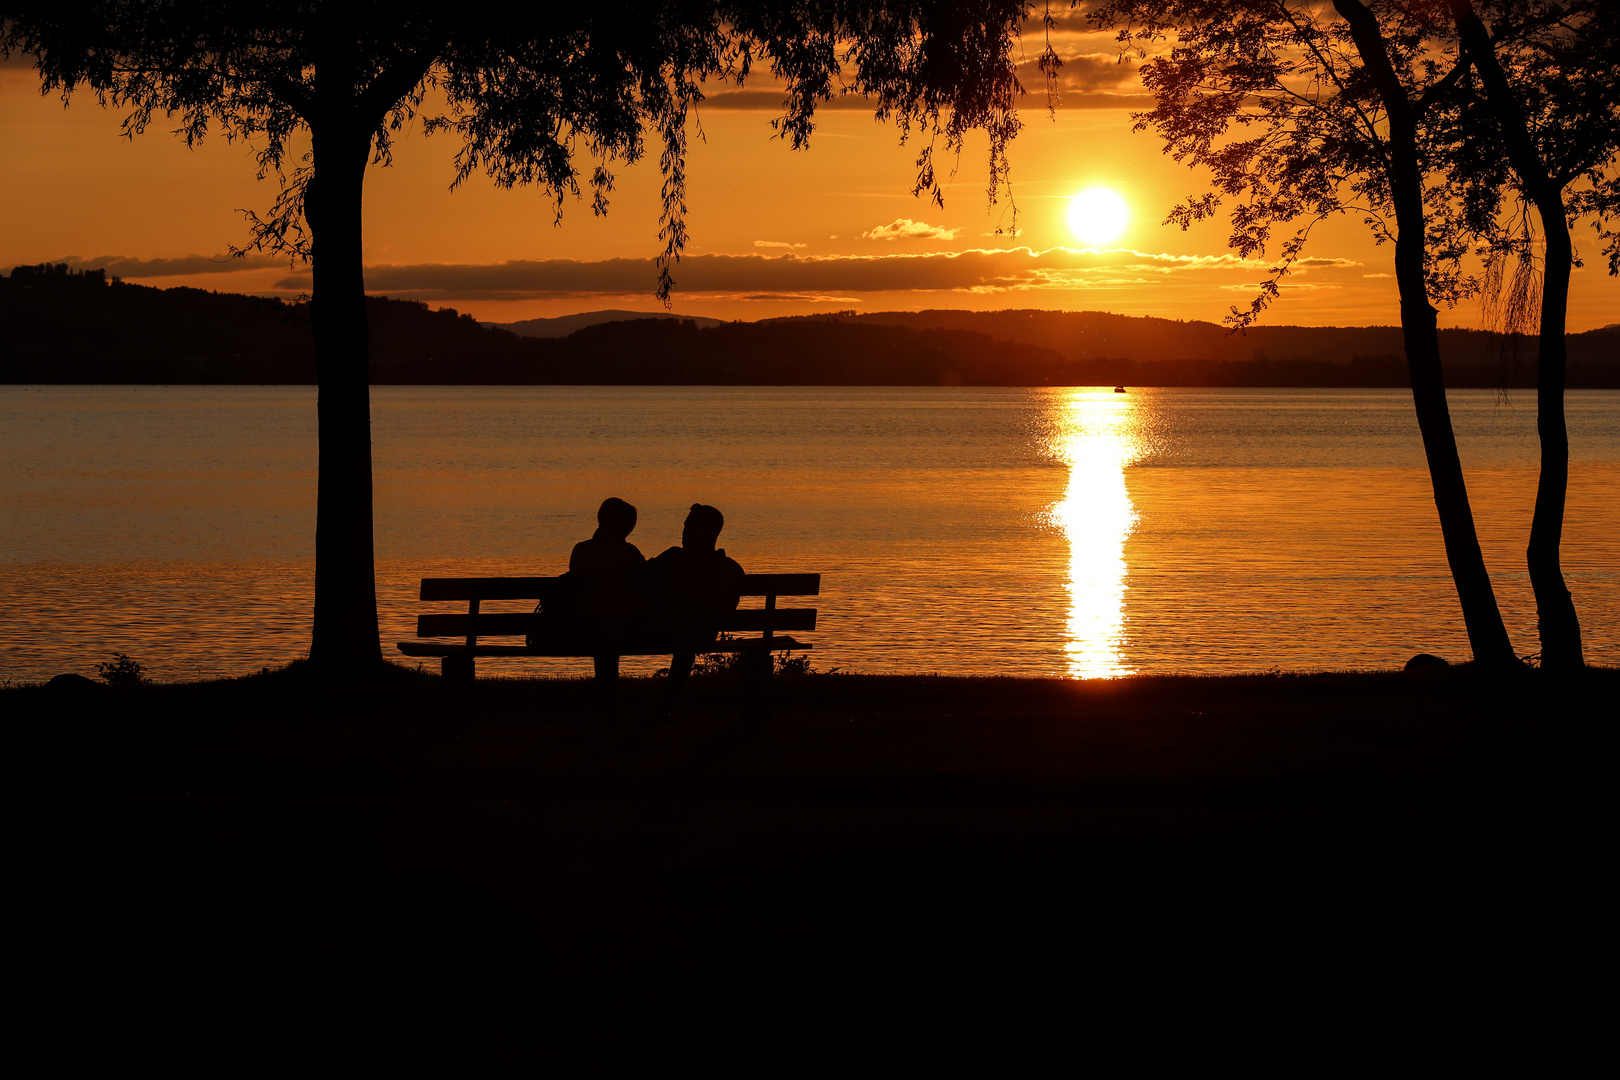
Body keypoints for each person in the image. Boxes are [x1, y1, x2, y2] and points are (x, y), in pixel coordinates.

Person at [540, 497, 646, 685]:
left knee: (603, 632)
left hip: (582, 630)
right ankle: (611, 708)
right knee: (609, 632)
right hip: (626, 630)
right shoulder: (630, 554)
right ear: (627, 527)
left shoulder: (581, 551)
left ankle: (609, 707)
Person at [649, 503, 745, 688]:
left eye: (688, 527)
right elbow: (727, 610)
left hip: (666, 632)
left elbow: (640, 577)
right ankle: (662, 710)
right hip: (704, 634)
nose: (683, 532)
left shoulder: (672, 558)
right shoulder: (730, 569)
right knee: (687, 642)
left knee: (684, 640)